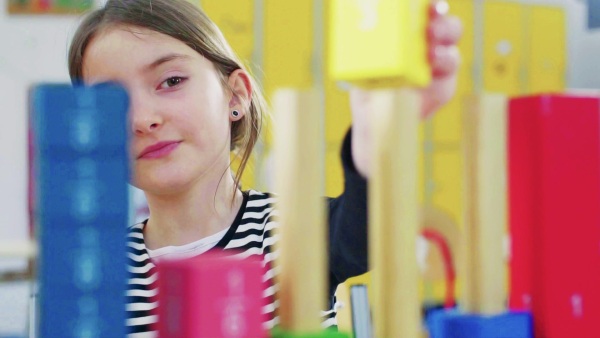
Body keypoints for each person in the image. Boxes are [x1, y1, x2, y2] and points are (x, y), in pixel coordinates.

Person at [67, 0, 462, 335]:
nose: (142, 118)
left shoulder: (290, 233)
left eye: (171, 80)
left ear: (235, 96)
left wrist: (380, 133)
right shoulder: (96, 270)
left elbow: (366, 230)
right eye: (110, 99)